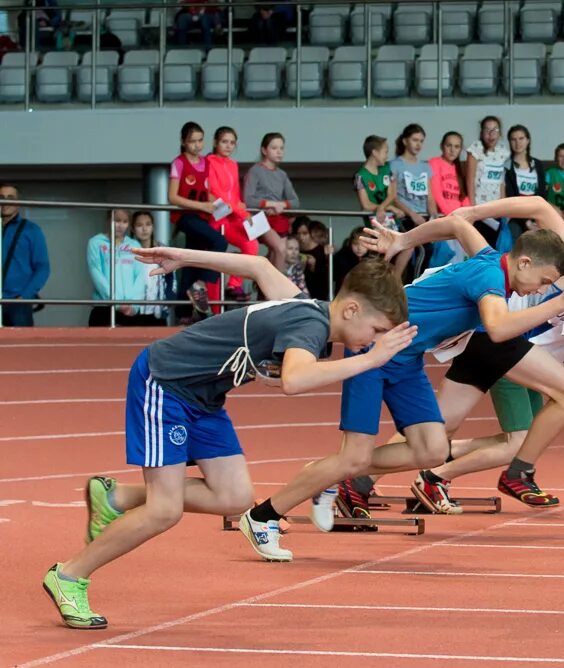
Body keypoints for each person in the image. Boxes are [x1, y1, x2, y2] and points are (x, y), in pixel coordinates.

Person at [42, 248, 414, 629]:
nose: (375, 341)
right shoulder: (311, 325)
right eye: (377, 331)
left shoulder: (309, 308)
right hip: (166, 383)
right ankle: (69, 575)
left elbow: (258, 266)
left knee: (234, 498)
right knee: (164, 510)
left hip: (204, 399)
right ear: (351, 310)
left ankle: (116, 496)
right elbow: (295, 379)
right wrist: (372, 360)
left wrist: (182, 257)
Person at [243, 213, 564, 558]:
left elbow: (455, 223)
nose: (542, 289)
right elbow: (497, 329)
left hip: (406, 360)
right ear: (524, 263)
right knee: (354, 455)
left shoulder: (489, 257)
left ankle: (331, 473)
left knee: (433, 450)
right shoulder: (490, 280)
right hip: (373, 347)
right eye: (544, 281)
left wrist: (404, 239)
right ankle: (264, 515)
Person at [331, 196, 564, 517]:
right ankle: (519, 471)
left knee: (440, 428)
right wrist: (474, 212)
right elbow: (538, 205)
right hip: (498, 332)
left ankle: (357, 480)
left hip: (488, 338)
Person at [409, 281, 564, 514]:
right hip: (515, 364)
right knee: (519, 445)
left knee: (529, 438)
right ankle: (435, 476)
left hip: (532, 369)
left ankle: (448, 453)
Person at [168, 121, 227, 319]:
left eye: (200, 140)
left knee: (190, 262)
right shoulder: (179, 163)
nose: (197, 145)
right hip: (186, 216)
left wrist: (220, 206)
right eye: (192, 141)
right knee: (220, 241)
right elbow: (173, 197)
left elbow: (207, 192)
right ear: (184, 142)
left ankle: (183, 313)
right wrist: (202, 206)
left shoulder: (206, 162)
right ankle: (200, 285)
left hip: (203, 216)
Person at [206, 126, 259, 302]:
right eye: (224, 142)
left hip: (232, 216)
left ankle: (234, 285)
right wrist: (242, 213)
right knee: (215, 262)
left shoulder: (233, 164)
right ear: (215, 142)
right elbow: (216, 191)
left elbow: (235, 194)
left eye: (232, 143)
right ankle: (214, 305)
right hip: (218, 215)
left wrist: (242, 210)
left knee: (251, 244)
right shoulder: (209, 161)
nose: (228, 146)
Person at [243, 131, 301, 271]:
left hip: (276, 219)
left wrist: (282, 205)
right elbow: (247, 199)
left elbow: (295, 202)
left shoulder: (282, 174)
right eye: (274, 148)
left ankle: (267, 291)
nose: (279, 152)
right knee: (280, 248)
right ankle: (279, 290)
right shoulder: (255, 171)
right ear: (264, 150)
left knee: (275, 254)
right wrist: (270, 204)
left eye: (281, 148)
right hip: (255, 218)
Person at [355, 134, 411, 277]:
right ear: (374, 152)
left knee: (408, 246)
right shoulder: (361, 175)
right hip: (375, 224)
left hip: (392, 221)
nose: (387, 155)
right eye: (385, 151)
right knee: (381, 257)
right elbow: (366, 204)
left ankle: (396, 279)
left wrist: (383, 207)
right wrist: (387, 207)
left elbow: (392, 195)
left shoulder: (387, 169)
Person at [389, 123, 438, 276]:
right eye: (415, 140)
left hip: (423, 217)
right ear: (405, 141)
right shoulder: (394, 165)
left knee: (428, 251)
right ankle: (400, 282)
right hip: (406, 217)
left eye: (421, 141)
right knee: (417, 249)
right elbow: (393, 196)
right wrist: (412, 214)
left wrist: (434, 216)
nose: (418, 144)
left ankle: (417, 283)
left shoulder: (425, 167)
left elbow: (430, 195)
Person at [1, 183, 50, 327]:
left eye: (10, 197)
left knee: (20, 348)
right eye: (1, 197)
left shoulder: (32, 230)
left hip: (18, 303)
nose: (5, 201)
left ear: (18, 202)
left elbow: (43, 268)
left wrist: (24, 297)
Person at [86, 209, 145, 327]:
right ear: (108, 220)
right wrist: (116, 303)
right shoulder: (95, 243)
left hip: (130, 311)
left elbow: (140, 276)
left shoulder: (135, 245)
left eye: (125, 221)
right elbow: (96, 273)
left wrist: (133, 305)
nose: (120, 225)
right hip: (104, 308)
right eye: (116, 220)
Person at [428, 131, 471, 267]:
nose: (453, 150)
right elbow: (436, 192)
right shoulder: (434, 163)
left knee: (461, 261)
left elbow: (464, 196)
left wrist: (468, 215)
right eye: (449, 145)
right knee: (443, 261)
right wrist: (451, 215)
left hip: (459, 220)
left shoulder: (459, 168)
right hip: (445, 219)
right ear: (442, 146)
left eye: (457, 146)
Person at [465, 116, 510, 247]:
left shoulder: (503, 152)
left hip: (495, 209)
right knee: (479, 248)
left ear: (500, 133)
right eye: (487, 130)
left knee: (495, 248)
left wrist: (504, 207)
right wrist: (472, 208)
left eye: (494, 130)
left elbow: (501, 182)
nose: (491, 134)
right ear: (481, 132)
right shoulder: (475, 149)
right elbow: (470, 179)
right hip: (479, 209)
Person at [501, 124, 547, 240]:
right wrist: (526, 222)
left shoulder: (538, 164)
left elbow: (542, 194)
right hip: (516, 215)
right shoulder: (507, 165)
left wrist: (536, 219)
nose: (518, 143)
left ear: (528, 140)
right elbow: (511, 196)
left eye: (521, 138)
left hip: (536, 214)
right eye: (513, 139)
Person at [128, 210, 174, 326]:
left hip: (157, 311)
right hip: (133, 311)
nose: (144, 229)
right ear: (133, 229)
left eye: (148, 224)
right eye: (139, 225)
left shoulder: (163, 250)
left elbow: (171, 279)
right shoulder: (127, 251)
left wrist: (168, 300)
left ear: (153, 227)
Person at [333, 226, 369, 295]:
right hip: (344, 295)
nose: (359, 248)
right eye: (355, 244)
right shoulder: (342, 256)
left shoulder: (374, 259)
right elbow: (333, 276)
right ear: (350, 243)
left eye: (363, 245)